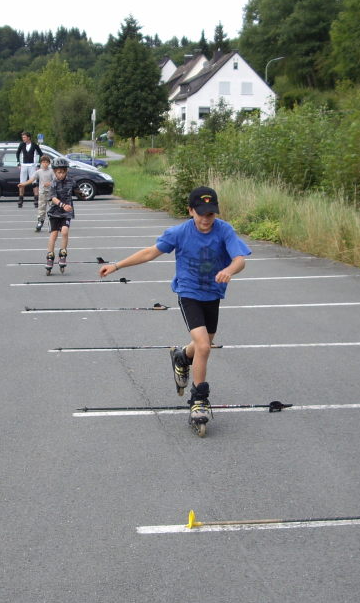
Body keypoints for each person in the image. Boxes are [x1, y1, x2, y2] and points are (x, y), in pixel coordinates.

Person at [98, 186, 250, 430]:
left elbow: (239, 260)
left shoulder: (224, 230)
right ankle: (199, 400)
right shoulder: (180, 232)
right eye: (201, 213)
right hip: (189, 292)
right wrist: (116, 266)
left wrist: (229, 270)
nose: (206, 219)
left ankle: (181, 357)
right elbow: (150, 253)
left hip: (212, 294)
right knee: (204, 346)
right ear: (190, 211)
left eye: (211, 214)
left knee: (202, 345)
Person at [44, 157, 75, 274]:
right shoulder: (53, 183)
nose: (61, 175)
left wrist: (82, 194)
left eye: (63, 172)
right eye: (58, 172)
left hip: (67, 212)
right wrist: (63, 205)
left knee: (65, 232)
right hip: (54, 212)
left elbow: (77, 190)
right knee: (54, 234)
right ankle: (50, 256)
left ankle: (63, 254)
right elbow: (53, 198)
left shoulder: (71, 181)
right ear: (54, 172)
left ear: (66, 171)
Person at [15, 131, 42, 208]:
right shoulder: (22, 144)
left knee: (34, 182)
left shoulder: (34, 145)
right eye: (22, 137)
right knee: (22, 183)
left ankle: (36, 199)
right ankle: (20, 199)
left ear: (28, 137)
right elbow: (17, 153)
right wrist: (18, 163)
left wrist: (38, 164)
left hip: (32, 165)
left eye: (24, 137)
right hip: (24, 165)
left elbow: (41, 154)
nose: (23, 139)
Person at [30, 154, 54, 232]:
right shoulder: (39, 172)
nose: (45, 164)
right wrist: (24, 184)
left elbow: (56, 181)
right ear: (41, 163)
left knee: (52, 208)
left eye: (46, 162)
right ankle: (40, 222)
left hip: (51, 193)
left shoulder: (51, 171)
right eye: (43, 162)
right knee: (41, 208)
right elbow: (32, 179)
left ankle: (52, 223)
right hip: (42, 192)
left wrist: (50, 183)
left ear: (49, 163)